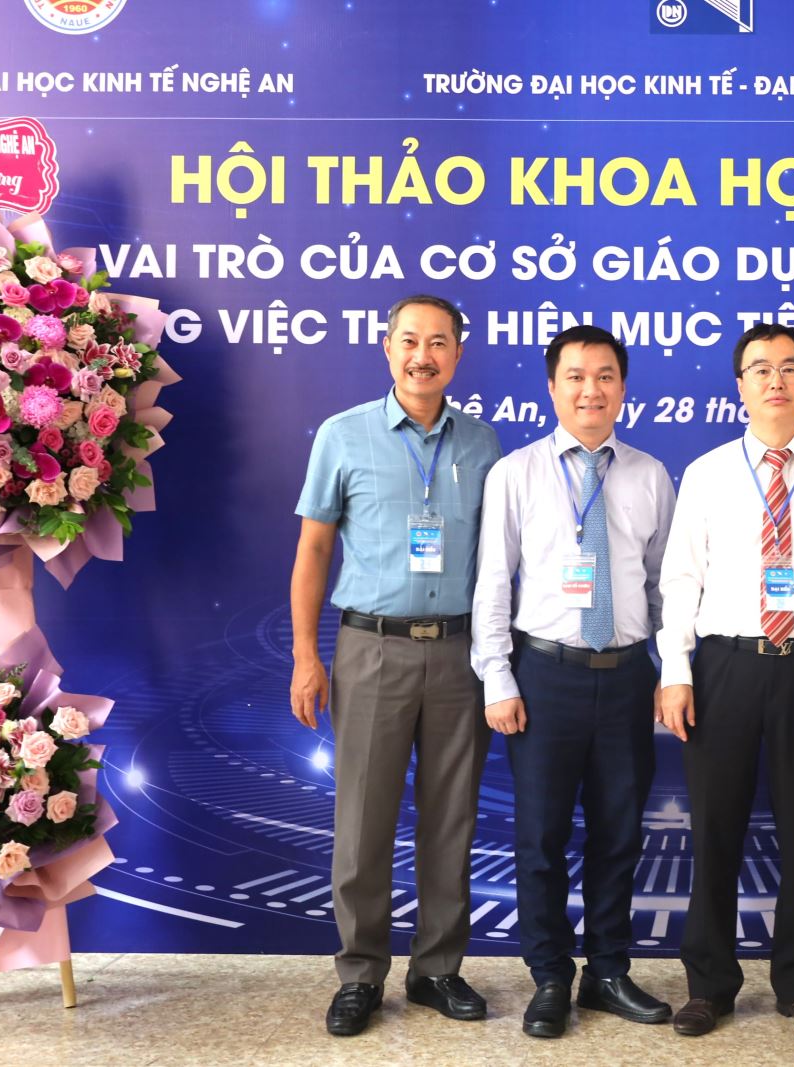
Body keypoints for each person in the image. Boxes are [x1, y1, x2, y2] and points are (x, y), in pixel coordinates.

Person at [290, 294, 502, 1037]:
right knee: (363, 818)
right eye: (409, 340)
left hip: (460, 653)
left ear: (457, 354)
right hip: (371, 648)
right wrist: (306, 655)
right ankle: (360, 974)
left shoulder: (483, 444)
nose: (423, 356)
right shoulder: (342, 435)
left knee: (452, 818)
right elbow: (314, 549)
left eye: (438, 342)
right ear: (387, 348)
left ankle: (437, 968)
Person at [656, 323, 794, 1040]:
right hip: (725, 667)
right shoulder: (708, 472)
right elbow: (680, 579)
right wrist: (677, 670)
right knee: (715, 829)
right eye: (760, 369)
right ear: (740, 387)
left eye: (789, 368)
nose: (775, 380)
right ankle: (709, 986)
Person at [472, 324, 677, 1038]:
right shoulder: (517, 472)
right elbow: (492, 582)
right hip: (544, 675)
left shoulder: (650, 475)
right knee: (542, 837)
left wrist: (670, 671)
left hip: (626, 677)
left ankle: (608, 971)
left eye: (605, 376)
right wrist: (497, 676)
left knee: (620, 833)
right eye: (576, 377)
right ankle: (551, 976)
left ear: (622, 388)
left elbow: (664, 586)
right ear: (552, 388)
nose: (591, 390)